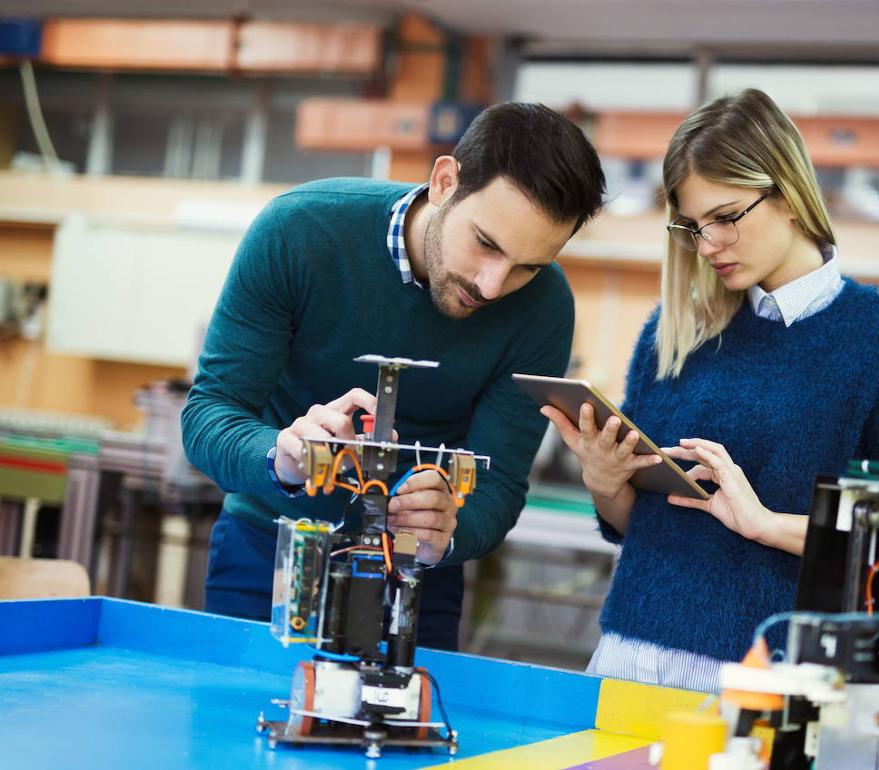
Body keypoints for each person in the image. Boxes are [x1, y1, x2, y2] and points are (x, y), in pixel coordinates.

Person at [542, 89, 879, 691]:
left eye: (726, 217)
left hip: (763, 681)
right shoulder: (673, 334)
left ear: (789, 195)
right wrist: (605, 483)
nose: (708, 244)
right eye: (692, 226)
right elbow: (637, 525)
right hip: (624, 661)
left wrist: (765, 523)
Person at [182, 102, 605, 651]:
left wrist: (449, 528)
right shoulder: (301, 231)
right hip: (270, 550)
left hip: (420, 579)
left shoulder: (545, 308)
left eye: (528, 266)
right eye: (487, 244)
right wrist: (281, 455)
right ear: (445, 181)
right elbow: (208, 415)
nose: (494, 286)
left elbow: (498, 484)